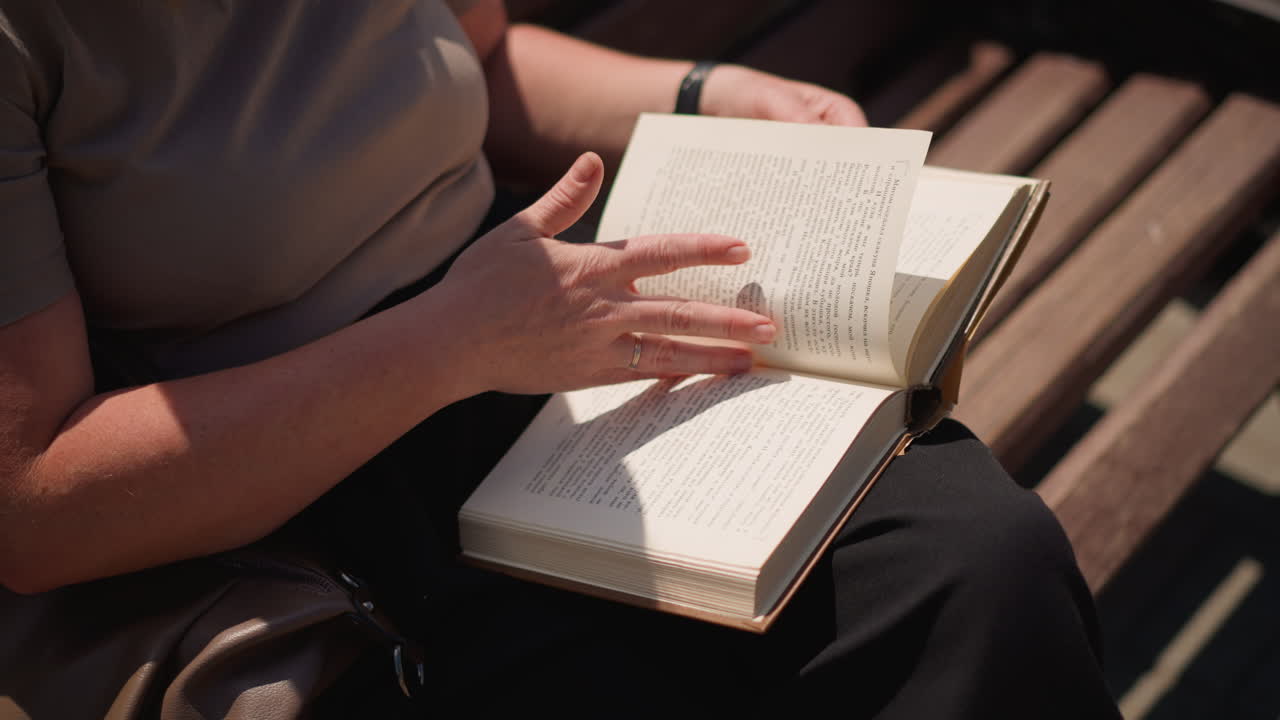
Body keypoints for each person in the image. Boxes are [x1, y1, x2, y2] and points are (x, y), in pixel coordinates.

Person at [0, 0, 1122, 717]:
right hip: (291, 470)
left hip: (535, 323)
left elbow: (480, 66)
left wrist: (709, 96)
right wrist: (448, 341)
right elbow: (36, 506)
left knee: (977, 568)